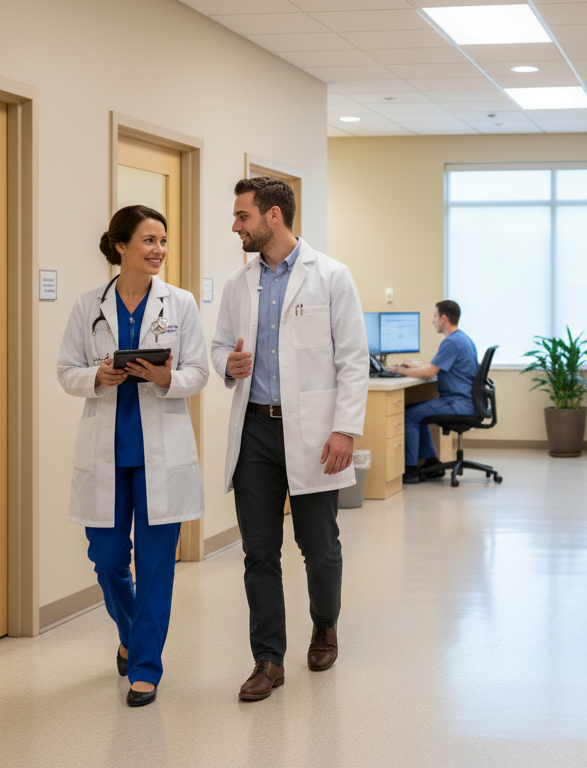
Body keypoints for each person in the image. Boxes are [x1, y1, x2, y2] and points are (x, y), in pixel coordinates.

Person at [211, 177, 369, 702]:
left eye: (242, 216)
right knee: (259, 551)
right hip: (255, 427)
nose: (235, 226)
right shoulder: (239, 284)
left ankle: (324, 625)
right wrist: (227, 365)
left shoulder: (331, 276)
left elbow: (352, 360)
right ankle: (268, 659)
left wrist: (345, 428)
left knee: (318, 546)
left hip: (313, 431)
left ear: (272, 215)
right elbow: (217, 348)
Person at [55, 205, 209, 707]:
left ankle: (145, 666)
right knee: (105, 558)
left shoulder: (180, 304)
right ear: (121, 246)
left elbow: (200, 372)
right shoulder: (88, 306)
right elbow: (65, 370)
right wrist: (97, 376)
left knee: (157, 563)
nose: (159, 250)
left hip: (160, 451)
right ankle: (129, 631)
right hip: (107, 451)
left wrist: (167, 378)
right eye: (148, 240)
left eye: (163, 241)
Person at [391, 300, 478, 482]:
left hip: (457, 403)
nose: (433, 321)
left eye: (435, 316)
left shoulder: (451, 342)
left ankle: (411, 469)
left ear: (444, 318)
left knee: (409, 415)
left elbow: (429, 372)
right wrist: (414, 367)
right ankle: (431, 463)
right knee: (417, 413)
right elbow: (433, 366)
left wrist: (400, 370)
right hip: (465, 402)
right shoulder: (463, 339)